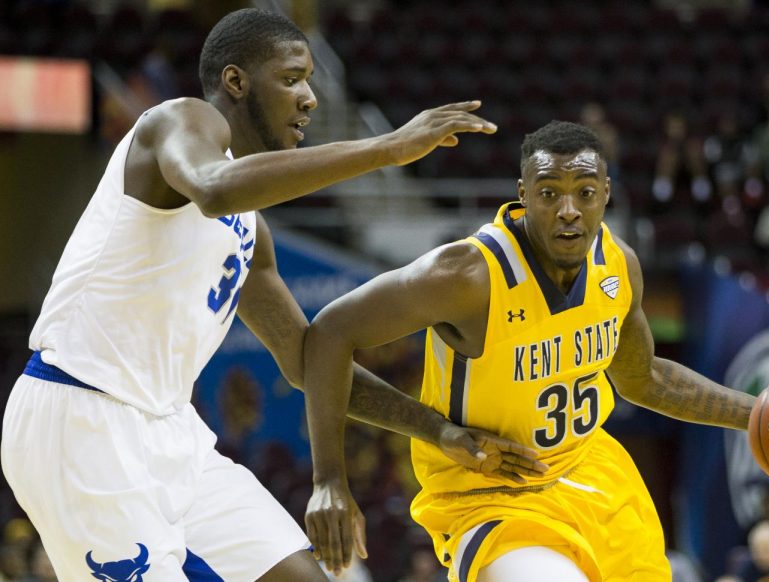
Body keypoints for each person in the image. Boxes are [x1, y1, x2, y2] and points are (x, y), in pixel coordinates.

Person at [0, 8, 546, 581]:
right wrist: (385, 148)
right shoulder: (179, 120)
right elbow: (213, 188)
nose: (310, 97)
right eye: (291, 78)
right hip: (81, 418)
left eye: (310, 79)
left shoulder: (250, 229)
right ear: (236, 82)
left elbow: (308, 361)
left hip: (170, 430)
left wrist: (437, 429)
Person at [303, 121, 769, 579]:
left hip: (592, 476)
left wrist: (762, 412)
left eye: (584, 191)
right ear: (522, 193)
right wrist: (330, 478)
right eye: (549, 191)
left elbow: (644, 378)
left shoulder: (619, 266)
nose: (568, 210)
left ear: (606, 193)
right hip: (491, 493)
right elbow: (328, 334)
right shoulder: (465, 275)